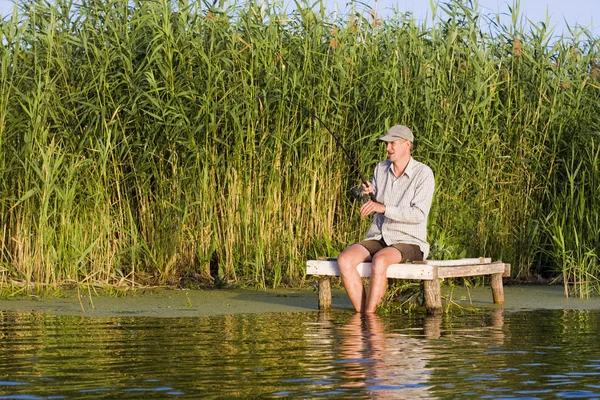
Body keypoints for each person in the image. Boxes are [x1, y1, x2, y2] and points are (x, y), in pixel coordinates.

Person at [337, 125, 435, 313]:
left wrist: (383, 207)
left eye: (393, 143)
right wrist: (371, 192)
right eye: (386, 143)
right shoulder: (380, 168)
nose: (388, 148)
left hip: (410, 240)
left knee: (380, 260)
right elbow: (378, 203)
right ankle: (362, 316)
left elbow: (418, 214)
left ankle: (370, 318)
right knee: (345, 259)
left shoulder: (423, 174)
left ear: (407, 144)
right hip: (380, 236)